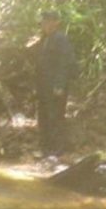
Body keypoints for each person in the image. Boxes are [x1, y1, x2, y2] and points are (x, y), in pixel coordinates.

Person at [35, 9, 76, 156]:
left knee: (56, 116)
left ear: (55, 23)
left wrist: (59, 84)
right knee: (44, 116)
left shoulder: (61, 39)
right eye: (43, 23)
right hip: (44, 86)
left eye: (47, 22)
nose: (44, 26)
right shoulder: (44, 39)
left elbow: (65, 63)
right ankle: (45, 148)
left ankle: (57, 150)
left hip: (55, 86)